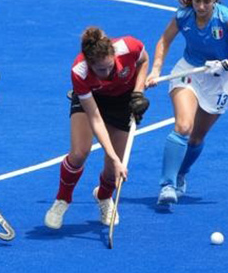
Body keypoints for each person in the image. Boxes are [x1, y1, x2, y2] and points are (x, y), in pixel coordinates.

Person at [145, 0, 228, 206]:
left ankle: (181, 174)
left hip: (219, 79)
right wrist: (156, 69)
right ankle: (167, 185)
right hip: (188, 71)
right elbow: (164, 40)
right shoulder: (183, 16)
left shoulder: (227, 18)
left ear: (216, 0)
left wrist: (227, 63)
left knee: (197, 138)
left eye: (206, 2)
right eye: (197, 0)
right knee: (183, 126)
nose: (200, 6)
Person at [45, 27, 150, 230]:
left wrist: (138, 94)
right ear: (89, 63)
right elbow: (95, 119)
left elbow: (144, 60)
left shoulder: (129, 46)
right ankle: (62, 200)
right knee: (79, 153)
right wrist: (112, 156)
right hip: (92, 101)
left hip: (121, 101)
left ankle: (103, 196)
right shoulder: (79, 72)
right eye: (100, 70)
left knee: (113, 170)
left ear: (114, 54)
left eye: (110, 67)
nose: (107, 73)